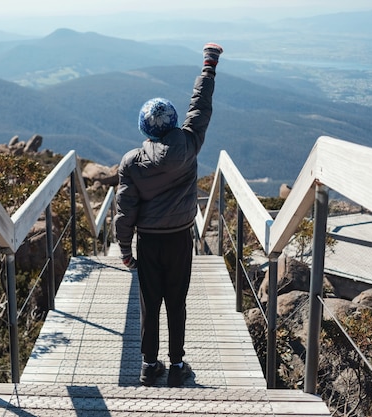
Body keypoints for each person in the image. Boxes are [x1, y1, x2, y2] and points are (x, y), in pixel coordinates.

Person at [113, 42, 222, 387]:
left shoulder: (131, 162)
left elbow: (125, 209)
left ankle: (148, 365)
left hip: (147, 242)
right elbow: (200, 106)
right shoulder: (189, 143)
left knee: (150, 303)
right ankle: (177, 366)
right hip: (179, 239)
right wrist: (208, 66)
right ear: (174, 121)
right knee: (177, 301)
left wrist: (126, 250)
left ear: (144, 128)